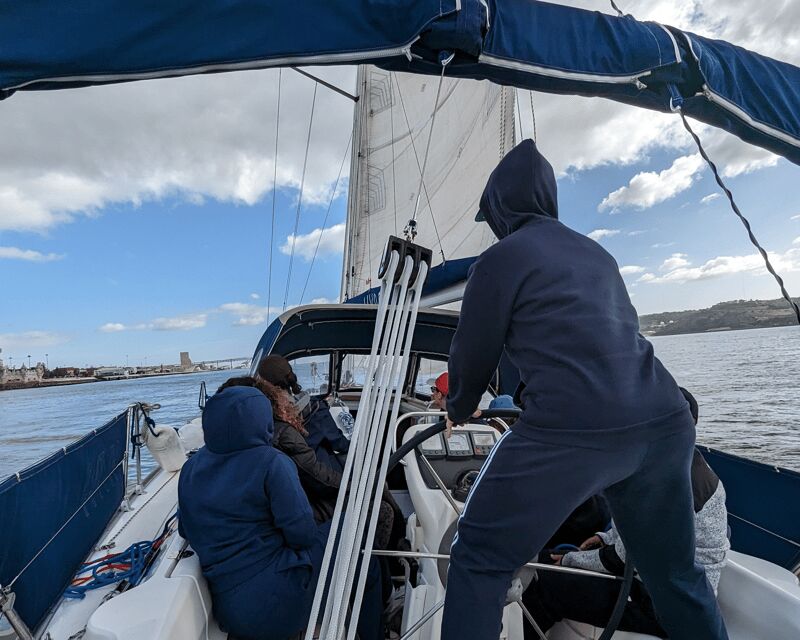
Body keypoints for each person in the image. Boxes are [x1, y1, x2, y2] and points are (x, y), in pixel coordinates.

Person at [440, 139, 728, 640]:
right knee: (676, 579)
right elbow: (613, 336)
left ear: (500, 209)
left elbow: (473, 352)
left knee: (480, 559)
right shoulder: (599, 254)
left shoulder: (498, 260)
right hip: (665, 422)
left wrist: (459, 407)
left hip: (576, 427)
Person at [521, 388, 730, 638]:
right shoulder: (676, 464)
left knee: (544, 585)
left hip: (668, 605)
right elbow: (634, 529)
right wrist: (604, 538)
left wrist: (569, 560)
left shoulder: (676, 486)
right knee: (540, 560)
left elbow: (623, 559)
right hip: (663, 585)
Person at [178, 385, 323, 640]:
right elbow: (303, 535)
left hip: (230, 611)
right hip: (279, 603)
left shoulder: (190, 468)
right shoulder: (272, 462)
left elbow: (185, 529)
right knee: (354, 539)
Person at [259, 354, 350, 472]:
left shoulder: (265, 416)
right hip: (323, 477)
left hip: (291, 477)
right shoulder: (314, 408)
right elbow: (339, 443)